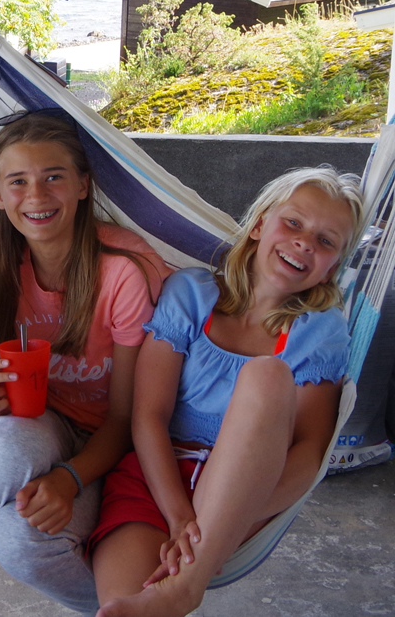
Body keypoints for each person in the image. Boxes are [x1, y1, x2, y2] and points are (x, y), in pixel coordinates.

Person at [0, 111, 171, 617]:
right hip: (45, 424)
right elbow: (7, 394)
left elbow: (127, 418)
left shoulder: (124, 270)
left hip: (117, 446)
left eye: (54, 176)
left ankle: (139, 608)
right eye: (18, 181)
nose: (36, 194)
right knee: (4, 449)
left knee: (17, 538)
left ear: (83, 185)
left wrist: (70, 478)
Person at [89, 167, 364, 617]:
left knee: (267, 375)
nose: (304, 243)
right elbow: (148, 416)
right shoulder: (190, 295)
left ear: (332, 267)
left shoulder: (319, 332)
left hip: (248, 490)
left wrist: (222, 521)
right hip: (157, 478)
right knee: (121, 606)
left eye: (325, 241)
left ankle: (186, 587)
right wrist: (181, 516)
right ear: (258, 226)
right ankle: (182, 579)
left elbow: (309, 453)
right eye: (293, 223)